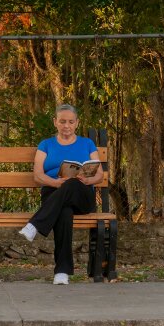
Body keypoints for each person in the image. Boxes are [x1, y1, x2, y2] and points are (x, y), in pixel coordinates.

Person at [19, 104, 105, 285]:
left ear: (77, 123)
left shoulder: (87, 143)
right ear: (55, 122)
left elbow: (99, 174)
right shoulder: (46, 145)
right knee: (64, 212)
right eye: (62, 121)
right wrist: (55, 182)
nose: (67, 125)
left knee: (72, 182)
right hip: (53, 191)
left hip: (82, 194)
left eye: (71, 122)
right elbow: (38, 175)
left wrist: (88, 180)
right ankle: (62, 272)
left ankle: (35, 224)